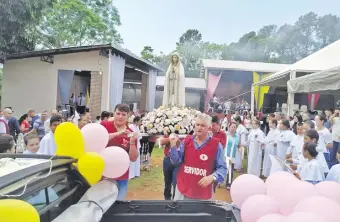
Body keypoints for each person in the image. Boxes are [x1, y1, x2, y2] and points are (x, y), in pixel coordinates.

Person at [169, 114, 227, 200]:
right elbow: (175, 161)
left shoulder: (216, 145)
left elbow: (223, 168)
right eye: (197, 125)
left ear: (209, 127)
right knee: (179, 213)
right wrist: (173, 147)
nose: (199, 128)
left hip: (203, 194)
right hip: (183, 190)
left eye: (203, 125)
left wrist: (212, 177)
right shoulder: (187, 141)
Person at [101, 104, 139, 200]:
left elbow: (133, 158)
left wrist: (132, 143)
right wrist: (118, 134)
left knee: (119, 204)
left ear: (128, 116)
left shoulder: (130, 133)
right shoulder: (104, 125)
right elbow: (99, 139)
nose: (120, 117)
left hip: (121, 175)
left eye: (123, 114)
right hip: (103, 173)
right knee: (101, 203)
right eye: (118, 113)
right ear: (114, 114)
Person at [160, 134, 181, 200]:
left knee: (176, 182)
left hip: (178, 161)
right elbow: (162, 142)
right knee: (167, 181)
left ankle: (175, 199)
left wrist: (177, 140)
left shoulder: (186, 129)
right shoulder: (168, 130)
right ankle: (167, 199)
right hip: (167, 159)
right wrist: (171, 138)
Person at [225, 122, 239, 189]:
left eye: (234, 127)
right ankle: (218, 182)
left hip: (232, 156)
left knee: (230, 170)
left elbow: (238, 145)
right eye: (232, 127)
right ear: (229, 127)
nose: (233, 128)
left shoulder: (237, 136)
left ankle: (228, 184)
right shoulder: (225, 134)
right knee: (222, 168)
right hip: (224, 155)